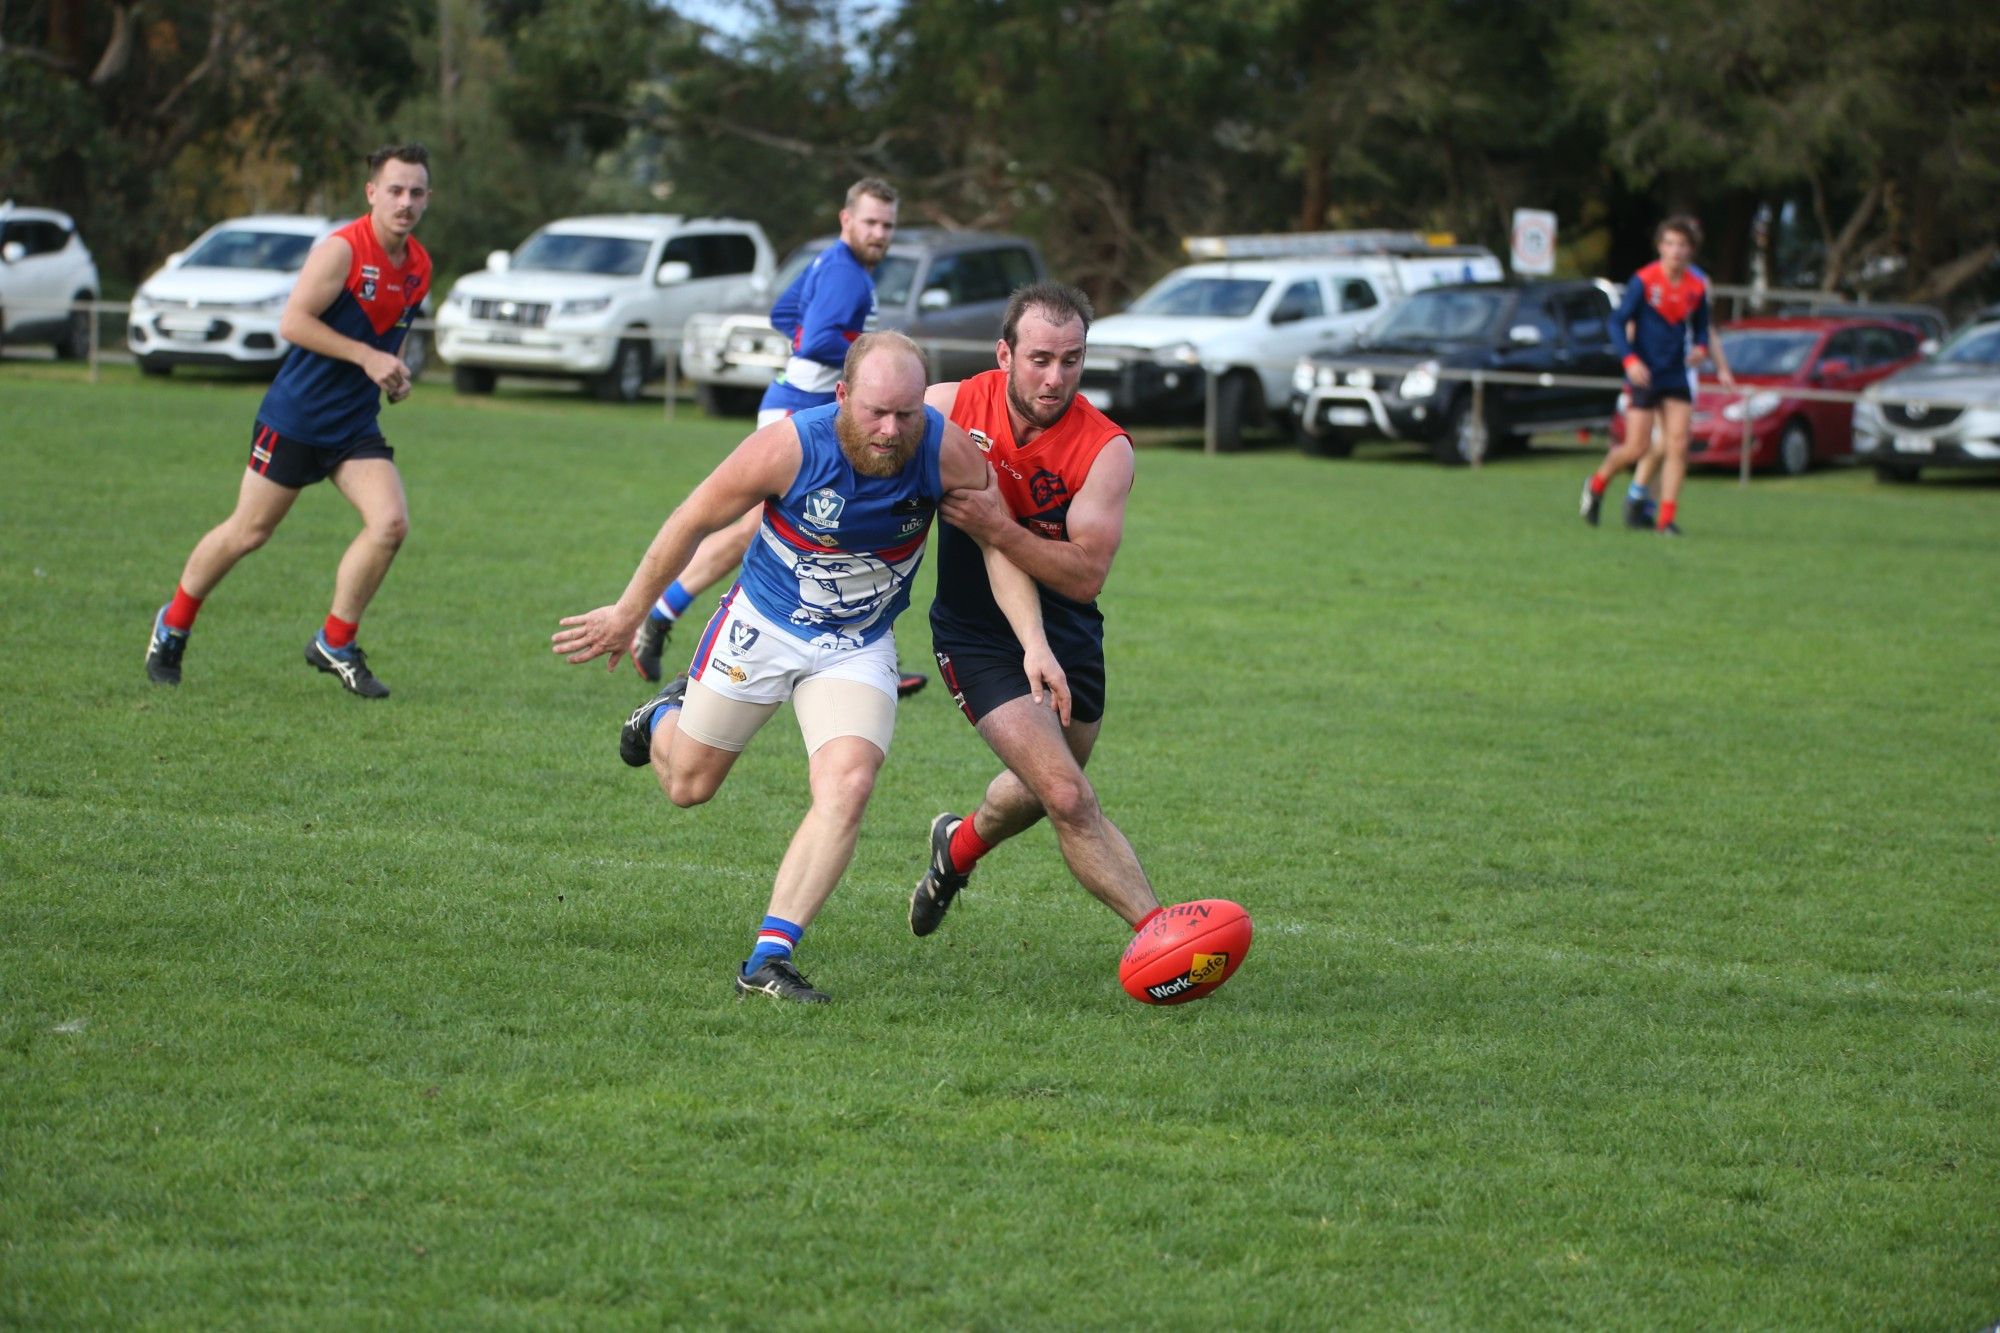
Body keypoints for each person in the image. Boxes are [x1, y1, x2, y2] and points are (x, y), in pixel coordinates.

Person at [552, 332, 1065, 1004]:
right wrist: (630, 611)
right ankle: (660, 717)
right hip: (762, 627)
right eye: (878, 412)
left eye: (908, 414)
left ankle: (768, 957)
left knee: (849, 781)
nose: (892, 430)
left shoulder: (945, 451)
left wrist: (1034, 641)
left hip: (857, 643)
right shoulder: (790, 446)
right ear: (843, 396)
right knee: (687, 785)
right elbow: (692, 517)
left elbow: (998, 544)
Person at [908, 281, 1165, 944]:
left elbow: (1084, 576)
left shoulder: (1105, 450)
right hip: (975, 635)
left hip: (1069, 637)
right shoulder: (947, 408)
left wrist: (999, 525)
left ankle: (955, 849)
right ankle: (1163, 939)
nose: (1056, 378)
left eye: (1072, 360)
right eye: (1040, 359)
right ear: (1005, 353)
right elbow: (853, 443)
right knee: (1069, 797)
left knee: (1038, 788)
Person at [144, 144, 433, 696]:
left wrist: (392, 374)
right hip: (296, 417)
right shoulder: (341, 252)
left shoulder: (419, 265)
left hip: (352, 425)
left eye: (417, 192)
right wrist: (367, 357)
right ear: (371, 193)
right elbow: (294, 323)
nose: (406, 202)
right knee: (249, 532)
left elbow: (380, 340)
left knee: (390, 524)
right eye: (395, 190)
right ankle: (173, 624)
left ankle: (335, 641)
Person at [631, 178, 926, 701]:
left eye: (888, 224)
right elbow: (814, 337)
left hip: (798, 403)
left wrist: (814, 345)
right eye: (871, 222)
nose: (879, 233)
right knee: (760, 531)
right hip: (803, 413)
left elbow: (784, 315)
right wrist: (874, 350)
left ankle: (868, 651)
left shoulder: (832, 266)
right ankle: (663, 618)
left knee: (847, 523)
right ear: (846, 220)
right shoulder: (846, 275)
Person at [1580, 215, 1733, 536]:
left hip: (1676, 373)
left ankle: (1665, 520)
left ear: (1691, 250)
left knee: (1678, 445)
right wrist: (1630, 360)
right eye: (1671, 244)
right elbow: (1617, 323)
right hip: (1645, 374)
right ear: (1661, 247)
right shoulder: (1645, 280)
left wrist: (1703, 350)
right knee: (1636, 447)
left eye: (1683, 245)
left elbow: (1703, 327)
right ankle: (1596, 484)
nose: (1676, 251)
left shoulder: (1696, 284)